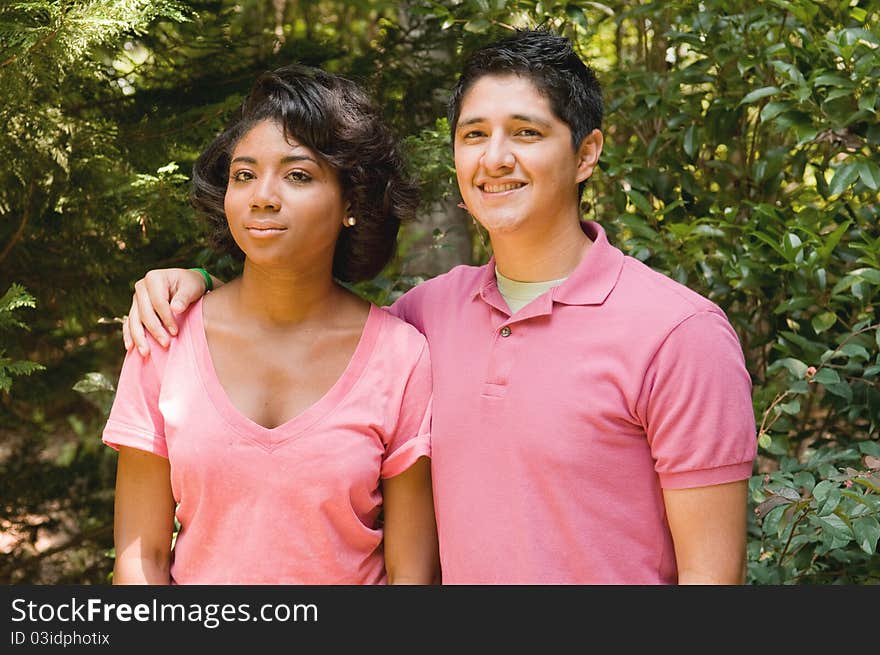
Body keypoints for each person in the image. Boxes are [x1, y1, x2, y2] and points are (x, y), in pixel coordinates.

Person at [121, 29, 757, 584]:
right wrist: (194, 280)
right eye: (474, 134)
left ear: (586, 153)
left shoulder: (679, 334)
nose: (495, 158)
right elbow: (296, 315)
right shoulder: (426, 318)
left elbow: (710, 575)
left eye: (527, 133)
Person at [103, 64, 440, 585]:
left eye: (298, 175)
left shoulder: (401, 357)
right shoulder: (164, 336)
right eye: (244, 174)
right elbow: (141, 557)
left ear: (352, 201)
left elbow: (410, 573)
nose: (262, 195)